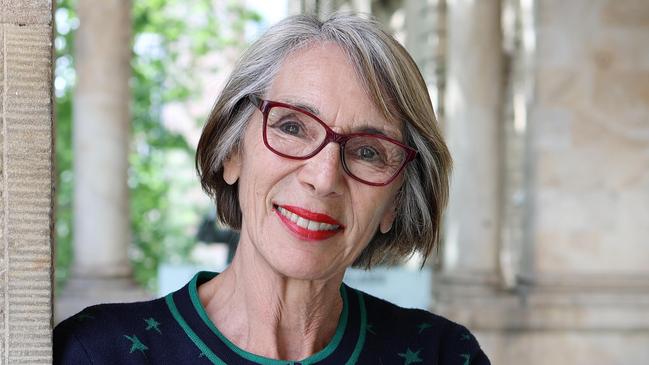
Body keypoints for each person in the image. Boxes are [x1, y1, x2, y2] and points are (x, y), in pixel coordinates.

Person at [54, 13, 490, 364]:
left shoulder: (444, 354)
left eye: (368, 152)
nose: (322, 177)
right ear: (232, 153)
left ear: (395, 199)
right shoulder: (98, 352)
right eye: (292, 127)